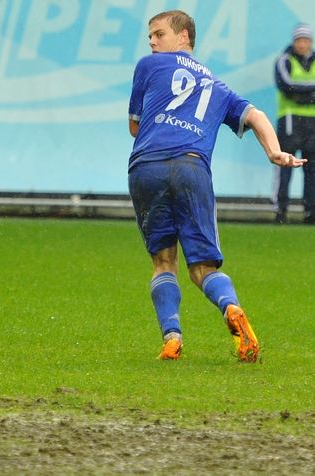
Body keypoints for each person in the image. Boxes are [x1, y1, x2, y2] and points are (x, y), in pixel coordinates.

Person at [127, 11, 305, 362]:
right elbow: (256, 116)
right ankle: (230, 307)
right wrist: (273, 151)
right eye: (150, 36)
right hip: (191, 166)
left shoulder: (149, 66)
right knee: (203, 269)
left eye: (159, 34)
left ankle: (172, 338)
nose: (152, 42)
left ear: (183, 37)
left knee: (163, 262)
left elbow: (135, 127)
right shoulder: (219, 87)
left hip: (147, 167)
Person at [273, 23, 315, 224]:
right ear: (294, 41)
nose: (302, 44)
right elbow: (286, 86)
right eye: (299, 40)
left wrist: (301, 96)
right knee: (285, 165)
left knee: (312, 169)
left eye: (306, 40)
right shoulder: (284, 60)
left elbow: (295, 90)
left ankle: (310, 212)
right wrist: (311, 95)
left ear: (310, 42)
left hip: (312, 123)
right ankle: (281, 211)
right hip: (290, 121)